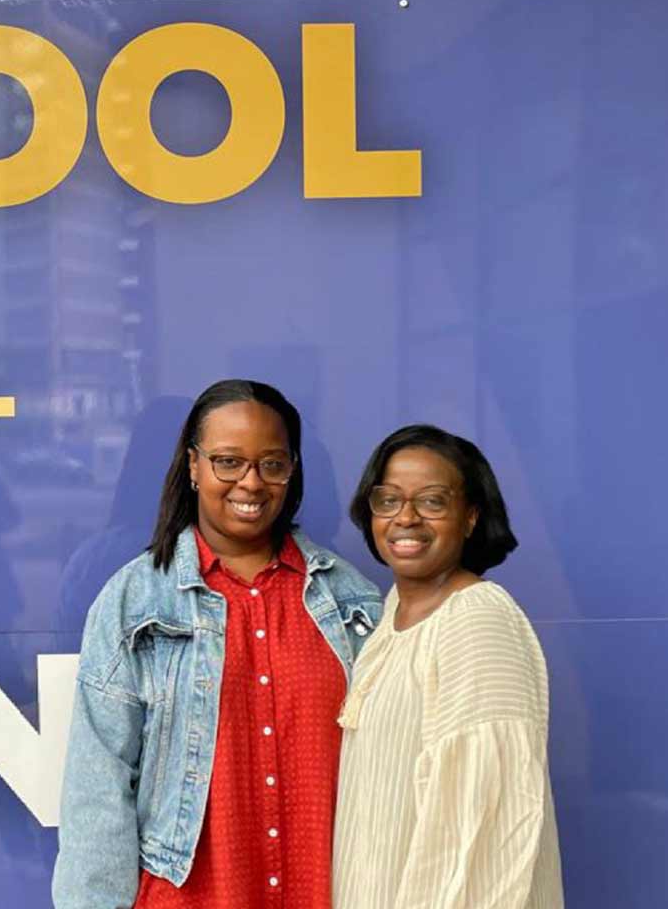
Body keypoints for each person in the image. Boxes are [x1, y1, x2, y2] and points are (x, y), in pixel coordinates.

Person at [54, 380, 383, 909]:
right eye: (228, 462)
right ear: (193, 465)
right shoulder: (134, 602)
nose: (250, 483)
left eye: (271, 464)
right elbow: (98, 790)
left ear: (293, 469)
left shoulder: (354, 604)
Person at [331, 425, 563, 908]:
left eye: (432, 501)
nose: (406, 518)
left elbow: (481, 836)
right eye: (388, 499)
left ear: (471, 516)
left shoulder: (477, 620)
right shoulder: (392, 615)